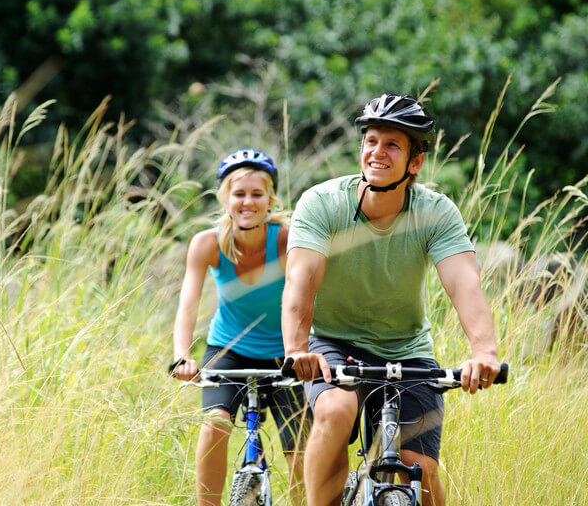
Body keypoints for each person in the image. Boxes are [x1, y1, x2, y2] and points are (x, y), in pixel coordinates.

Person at [281, 94, 501, 506]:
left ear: (414, 163)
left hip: (406, 351)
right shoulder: (322, 203)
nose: (376, 151)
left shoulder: (436, 212)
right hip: (334, 344)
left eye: (392, 145)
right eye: (371, 141)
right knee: (334, 411)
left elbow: (464, 283)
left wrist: (483, 351)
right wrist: (296, 348)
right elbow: (300, 282)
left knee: (422, 469)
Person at [170, 149, 308, 506]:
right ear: (225, 198)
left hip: (285, 353)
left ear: (270, 199)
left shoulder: (287, 239)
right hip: (228, 350)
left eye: (257, 194)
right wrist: (181, 357)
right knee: (215, 424)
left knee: (300, 446)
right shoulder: (207, 243)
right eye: (239, 193)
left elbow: (310, 295)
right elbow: (187, 305)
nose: (248, 202)